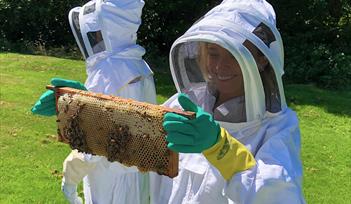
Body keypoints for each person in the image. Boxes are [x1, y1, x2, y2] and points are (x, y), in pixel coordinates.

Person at [148, 0, 306, 203]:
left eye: (234, 54)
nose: (220, 67)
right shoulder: (180, 106)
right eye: (213, 53)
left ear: (262, 59)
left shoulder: (279, 126)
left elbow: (279, 195)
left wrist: (222, 149)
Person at [31, 0, 156, 203]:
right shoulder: (139, 65)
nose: (93, 37)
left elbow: (95, 142)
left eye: (96, 31)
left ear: (109, 29)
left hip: (110, 181)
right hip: (137, 176)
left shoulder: (109, 70)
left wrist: (70, 179)